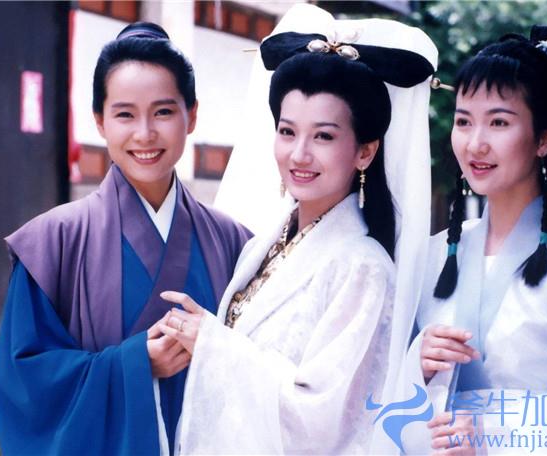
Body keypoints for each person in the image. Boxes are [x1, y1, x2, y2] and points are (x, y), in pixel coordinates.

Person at [156, 5, 437, 454]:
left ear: (365, 151)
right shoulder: (265, 245)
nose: (299, 154)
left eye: (324, 136)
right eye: (287, 132)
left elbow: (322, 420)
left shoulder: (362, 267)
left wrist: (211, 343)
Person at [0, 22, 251, 455]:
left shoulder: (234, 243)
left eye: (163, 112)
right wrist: (135, 365)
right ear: (99, 121)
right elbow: (22, 388)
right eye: (125, 114)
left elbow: (264, 371)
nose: (144, 134)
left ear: (192, 116)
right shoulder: (53, 244)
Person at [407, 25, 547, 454]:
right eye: (463, 121)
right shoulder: (435, 255)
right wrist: (415, 366)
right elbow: (377, 400)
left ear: (544, 139)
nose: (475, 143)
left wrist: (496, 436)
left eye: (498, 122)